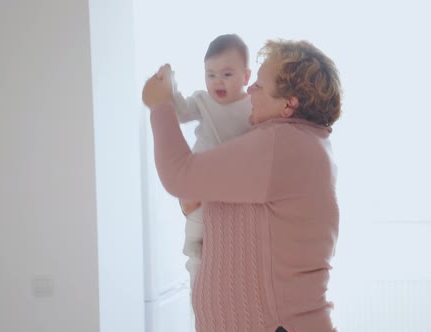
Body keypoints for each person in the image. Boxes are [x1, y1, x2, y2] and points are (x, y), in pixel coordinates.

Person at [143, 39, 342, 332]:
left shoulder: (280, 144)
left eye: (259, 86)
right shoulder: (302, 144)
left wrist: (160, 105)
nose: (249, 91)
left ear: (289, 104)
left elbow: (178, 174)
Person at [170, 34, 253, 288]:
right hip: (201, 180)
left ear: (246, 77)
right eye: (210, 74)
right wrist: (170, 87)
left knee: (230, 235)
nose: (217, 81)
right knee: (198, 226)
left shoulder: (252, 106)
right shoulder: (202, 101)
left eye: (227, 75)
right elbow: (181, 112)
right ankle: (194, 259)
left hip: (234, 184)